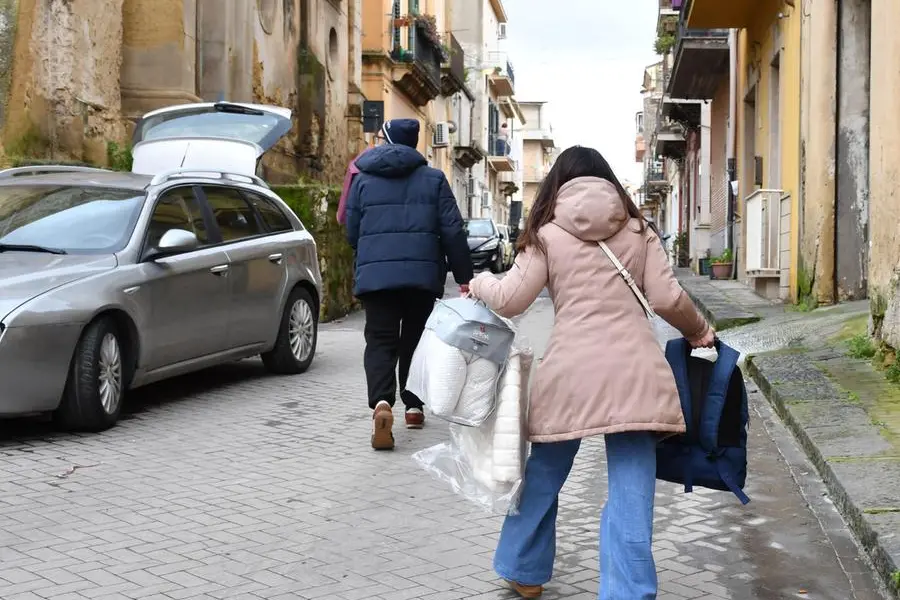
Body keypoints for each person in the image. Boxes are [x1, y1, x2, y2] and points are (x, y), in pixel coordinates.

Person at [466, 145, 715, 599]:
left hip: (569, 373)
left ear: (558, 186)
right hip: (636, 372)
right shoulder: (639, 230)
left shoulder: (546, 234)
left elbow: (511, 299)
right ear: (609, 183)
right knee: (632, 484)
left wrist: (480, 283)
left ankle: (524, 568)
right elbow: (666, 297)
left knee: (544, 472)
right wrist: (699, 331)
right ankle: (628, 591)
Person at [345, 118, 473, 451]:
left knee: (380, 340)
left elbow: (351, 230)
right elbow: (453, 231)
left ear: (386, 140)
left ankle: (381, 403)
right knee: (415, 340)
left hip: (377, 278)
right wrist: (464, 277)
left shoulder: (363, 179)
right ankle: (414, 407)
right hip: (421, 277)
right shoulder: (434, 179)